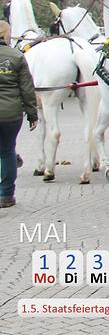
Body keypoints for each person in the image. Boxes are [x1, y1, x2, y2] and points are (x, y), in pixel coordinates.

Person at [0, 20, 37, 208]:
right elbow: (27, 90)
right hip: (11, 115)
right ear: (7, 35)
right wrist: (32, 115)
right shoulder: (17, 56)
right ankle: (6, 195)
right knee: (7, 151)